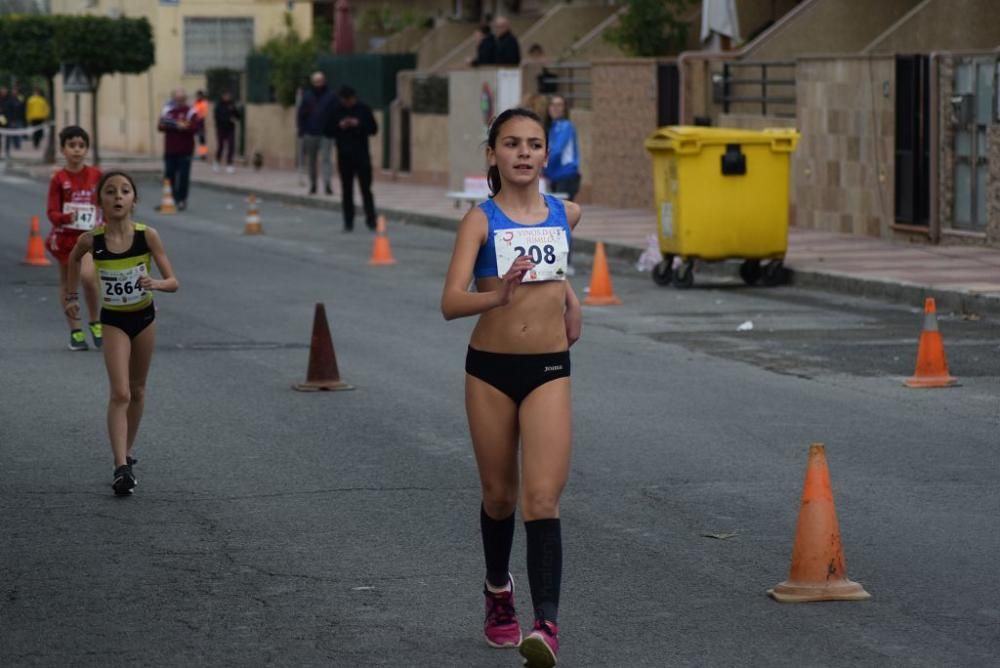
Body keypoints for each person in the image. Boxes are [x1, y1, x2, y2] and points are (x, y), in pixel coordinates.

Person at [440, 107, 582, 668]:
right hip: (491, 370)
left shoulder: (565, 212)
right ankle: (499, 590)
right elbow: (450, 303)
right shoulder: (479, 220)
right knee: (499, 496)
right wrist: (496, 296)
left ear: (547, 155)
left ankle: (546, 625)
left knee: (542, 498)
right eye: (511, 144)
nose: (523, 153)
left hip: (548, 368)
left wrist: (571, 300)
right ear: (493, 154)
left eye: (533, 144)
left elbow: (558, 269)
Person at [64, 170, 179, 496]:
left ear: (134, 200)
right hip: (113, 320)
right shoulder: (93, 240)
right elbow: (74, 259)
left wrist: (154, 283)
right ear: (100, 199)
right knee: (121, 393)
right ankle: (120, 467)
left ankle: (126, 453)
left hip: (143, 318)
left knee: (139, 390)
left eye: (125, 191)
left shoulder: (148, 236)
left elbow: (173, 282)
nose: (118, 196)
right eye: (110, 191)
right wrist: (71, 298)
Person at [46, 125, 103, 351]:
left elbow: (105, 202)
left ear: (87, 149)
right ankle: (75, 331)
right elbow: (51, 213)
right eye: (72, 146)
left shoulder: (96, 175)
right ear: (63, 149)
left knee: (89, 278)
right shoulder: (59, 179)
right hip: (66, 239)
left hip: (89, 238)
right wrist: (68, 216)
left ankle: (94, 321)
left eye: (81, 146)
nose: (77, 150)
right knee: (68, 284)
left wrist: (106, 219)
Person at [329, 86, 378, 232]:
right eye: (344, 101)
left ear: (353, 98)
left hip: (362, 155)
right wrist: (340, 125)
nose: (346, 104)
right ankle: (348, 222)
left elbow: (374, 129)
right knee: (346, 190)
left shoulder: (363, 109)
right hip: (344, 155)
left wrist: (358, 124)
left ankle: (371, 220)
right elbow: (328, 129)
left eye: (348, 100)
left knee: (366, 189)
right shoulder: (337, 110)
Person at [157, 89, 200, 211]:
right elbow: (161, 125)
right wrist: (177, 125)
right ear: (174, 99)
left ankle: (182, 200)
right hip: (170, 149)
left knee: (183, 176)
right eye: (177, 99)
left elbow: (193, 127)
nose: (179, 102)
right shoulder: (168, 110)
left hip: (185, 150)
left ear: (185, 99)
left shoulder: (190, 111)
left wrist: (177, 125)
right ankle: (171, 199)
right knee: (169, 175)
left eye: (182, 99)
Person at [297, 71, 337, 196]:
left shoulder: (331, 96)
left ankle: (327, 184)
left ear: (324, 81)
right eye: (316, 81)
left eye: (320, 81)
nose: (318, 84)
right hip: (310, 132)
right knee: (312, 160)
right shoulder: (307, 96)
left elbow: (335, 113)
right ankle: (313, 184)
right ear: (312, 83)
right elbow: (301, 114)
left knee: (326, 159)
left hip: (326, 133)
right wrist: (301, 130)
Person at [543, 96, 580, 202]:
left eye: (559, 105)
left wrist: (541, 166)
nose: (555, 108)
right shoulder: (549, 127)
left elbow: (556, 151)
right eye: (552, 105)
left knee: (562, 212)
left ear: (564, 108)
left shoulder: (565, 126)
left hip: (565, 174)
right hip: (552, 176)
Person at [212, 90, 241, 174]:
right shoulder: (218, 106)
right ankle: (217, 161)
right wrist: (227, 119)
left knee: (231, 146)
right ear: (222, 96)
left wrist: (234, 111)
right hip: (221, 128)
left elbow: (238, 116)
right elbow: (217, 118)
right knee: (221, 146)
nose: (227, 97)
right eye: (225, 95)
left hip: (230, 129)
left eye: (228, 95)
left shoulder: (232, 105)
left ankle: (229, 164)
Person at [192, 90, 210, 161]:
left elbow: (204, 113)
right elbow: (193, 111)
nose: (198, 97)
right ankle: (193, 153)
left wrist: (198, 115)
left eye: (199, 95)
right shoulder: (196, 103)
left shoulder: (204, 103)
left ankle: (203, 154)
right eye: (197, 95)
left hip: (201, 123)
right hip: (196, 123)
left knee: (202, 140)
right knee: (195, 139)